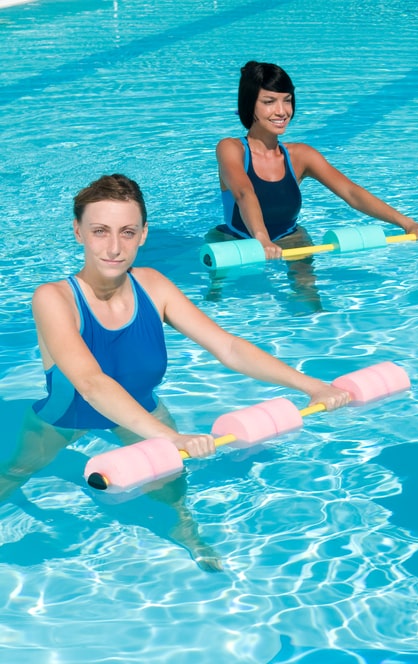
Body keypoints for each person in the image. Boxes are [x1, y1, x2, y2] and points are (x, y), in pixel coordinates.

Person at [7, 174, 351, 570]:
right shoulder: (52, 297)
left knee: (171, 484)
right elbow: (90, 382)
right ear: (78, 232)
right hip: (65, 415)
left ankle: (188, 535)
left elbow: (228, 346)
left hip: (140, 408)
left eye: (127, 232)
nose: (114, 247)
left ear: (143, 235)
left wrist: (312, 385)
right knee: (15, 473)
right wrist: (170, 436)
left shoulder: (153, 286)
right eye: (100, 231)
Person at [209, 60, 418, 262]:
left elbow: (351, 192)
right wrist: (262, 239)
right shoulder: (231, 148)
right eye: (269, 101)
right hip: (233, 241)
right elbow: (244, 192)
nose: (282, 111)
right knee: (216, 300)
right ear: (250, 105)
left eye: (287, 101)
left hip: (291, 240)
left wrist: (408, 223)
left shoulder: (301, 156)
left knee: (309, 298)